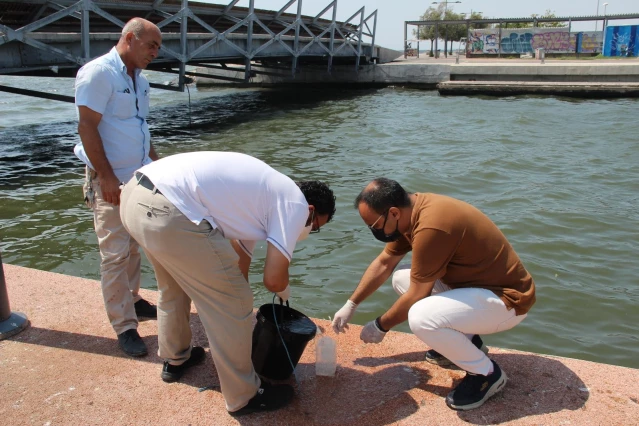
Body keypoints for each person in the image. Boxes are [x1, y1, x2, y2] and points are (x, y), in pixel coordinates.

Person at [120, 151, 336, 416]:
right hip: (171, 209)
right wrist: (275, 292)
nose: (309, 231)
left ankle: (176, 358)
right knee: (235, 301)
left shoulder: (262, 198)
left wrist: (236, 296)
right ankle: (243, 396)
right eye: (314, 227)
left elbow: (238, 264)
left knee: (173, 287)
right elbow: (272, 279)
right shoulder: (295, 204)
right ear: (311, 210)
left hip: (136, 196)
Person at [332, 178, 535, 411]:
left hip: (507, 302)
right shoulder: (412, 213)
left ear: (394, 213)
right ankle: (469, 341)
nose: (374, 231)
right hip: (477, 291)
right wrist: (351, 303)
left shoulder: (431, 226)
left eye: (375, 226)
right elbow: (385, 263)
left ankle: (486, 373)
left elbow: (419, 294)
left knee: (420, 317)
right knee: (401, 279)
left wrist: (380, 326)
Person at [73, 18, 162, 357]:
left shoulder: (141, 81)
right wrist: (107, 176)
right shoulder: (98, 73)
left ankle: (134, 299)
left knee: (136, 245)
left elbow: (140, 129)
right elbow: (87, 126)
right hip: (111, 179)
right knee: (114, 254)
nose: (155, 52)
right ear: (129, 38)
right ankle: (124, 326)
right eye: (151, 45)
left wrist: (160, 166)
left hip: (140, 177)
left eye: (158, 47)